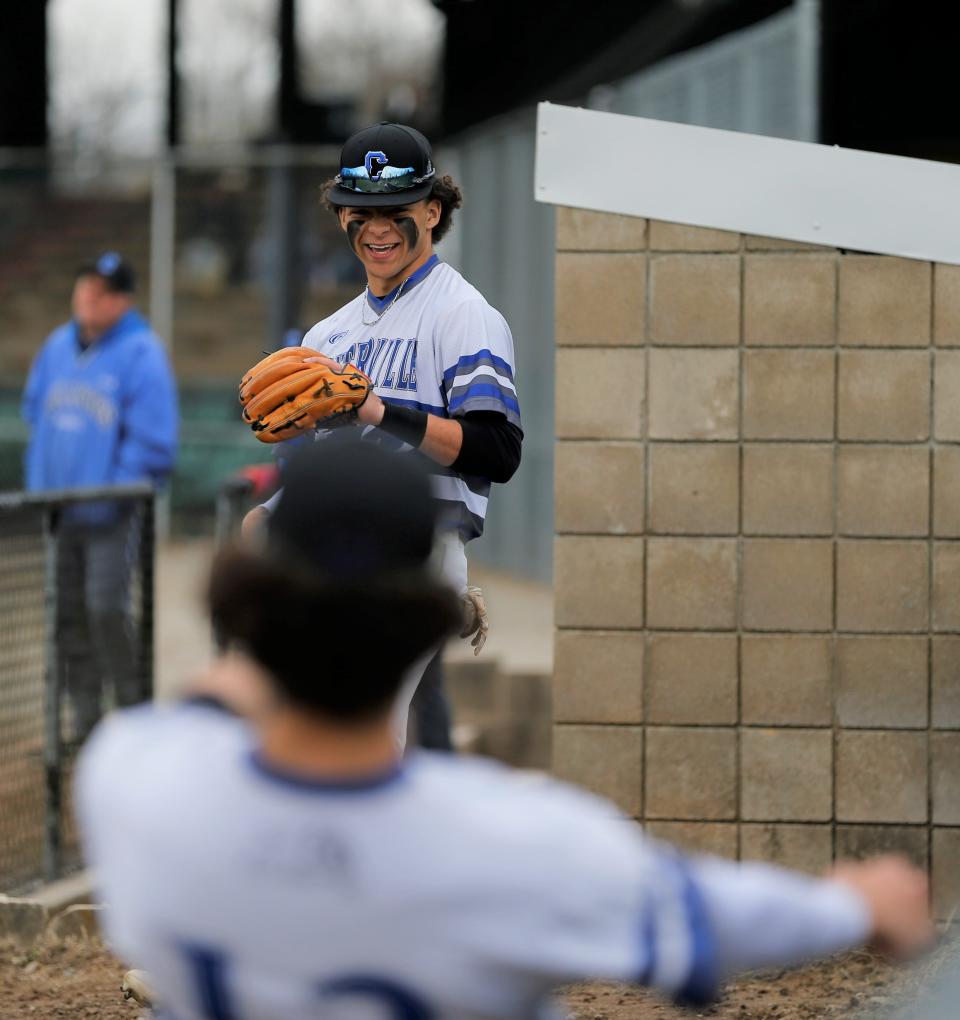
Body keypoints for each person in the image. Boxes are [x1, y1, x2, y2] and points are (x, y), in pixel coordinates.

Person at [76, 441, 933, 1020]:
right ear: (428, 629)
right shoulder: (514, 839)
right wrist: (858, 904)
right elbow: (723, 919)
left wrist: (260, 631)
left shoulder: (137, 781)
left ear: (245, 612)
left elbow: (205, 703)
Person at [242, 122, 522, 741]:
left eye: (395, 211)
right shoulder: (325, 338)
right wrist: (275, 510)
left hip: (413, 557)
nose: (377, 227)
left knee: (364, 742)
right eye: (360, 211)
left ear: (433, 209)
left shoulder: (463, 313)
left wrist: (378, 409)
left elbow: (497, 451)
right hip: (326, 559)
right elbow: (335, 462)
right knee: (303, 735)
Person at [22, 252, 178, 744]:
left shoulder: (141, 351)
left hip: (112, 514)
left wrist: (109, 488)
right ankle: (85, 725)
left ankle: (135, 725)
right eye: (86, 286)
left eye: (104, 291)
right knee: (65, 616)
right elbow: (34, 412)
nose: (91, 297)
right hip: (57, 514)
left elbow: (154, 443)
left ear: (123, 301)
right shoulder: (56, 346)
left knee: (105, 609)